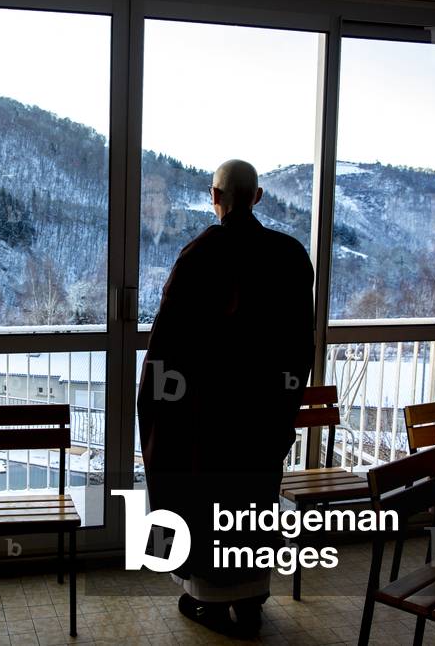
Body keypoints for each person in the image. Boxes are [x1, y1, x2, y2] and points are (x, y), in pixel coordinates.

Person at [137, 159, 315, 635]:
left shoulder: (197, 257)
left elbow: (168, 349)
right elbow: (301, 347)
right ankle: (252, 602)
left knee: (207, 509)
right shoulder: (291, 256)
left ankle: (212, 605)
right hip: (261, 420)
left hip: (206, 422)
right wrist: (284, 408)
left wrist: (156, 408)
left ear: (214, 197)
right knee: (253, 506)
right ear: (257, 198)